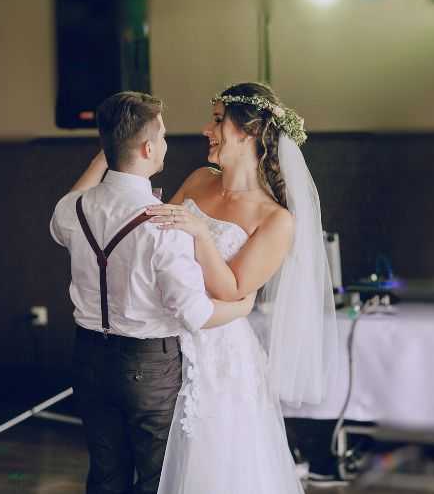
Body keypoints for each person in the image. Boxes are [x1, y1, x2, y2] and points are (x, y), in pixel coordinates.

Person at [49, 91, 256, 494]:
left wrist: (106, 156)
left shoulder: (72, 211)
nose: (165, 143)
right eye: (161, 135)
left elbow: (59, 222)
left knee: (106, 475)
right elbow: (195, 315)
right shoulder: (165, 225)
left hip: (88, 358)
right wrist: (242, 306)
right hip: (149, 367)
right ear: (147, 148)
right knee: (156, 480)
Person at [145, 82, 339, 493]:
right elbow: (160, 240)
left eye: (217, 120)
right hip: (165, 334)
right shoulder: (199, 180)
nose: (205, 129)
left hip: (221, 357)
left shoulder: (276, 219)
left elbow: (233, 289)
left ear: (248, 132)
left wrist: (198, 231)